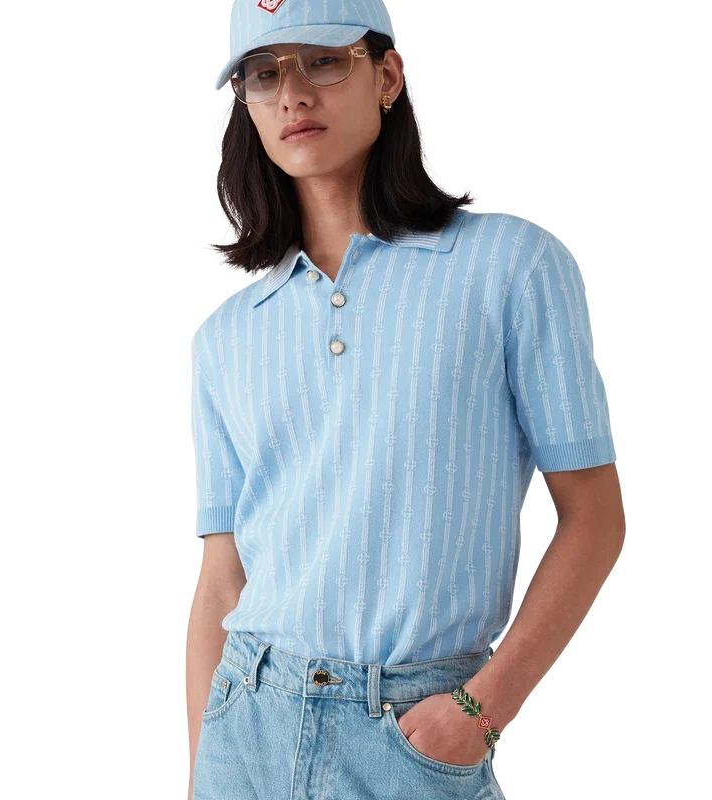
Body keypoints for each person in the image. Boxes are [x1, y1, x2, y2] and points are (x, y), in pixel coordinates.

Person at [186, 1, 627, 798]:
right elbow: (221, 575)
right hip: (244, 726)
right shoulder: (228, 333)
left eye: (324, 61)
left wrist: (480, 711)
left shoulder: (510, 267)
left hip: (411, 733)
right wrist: (198, 773)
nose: (293, 95)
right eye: (262, 75)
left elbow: (594, 518)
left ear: (387, 75)